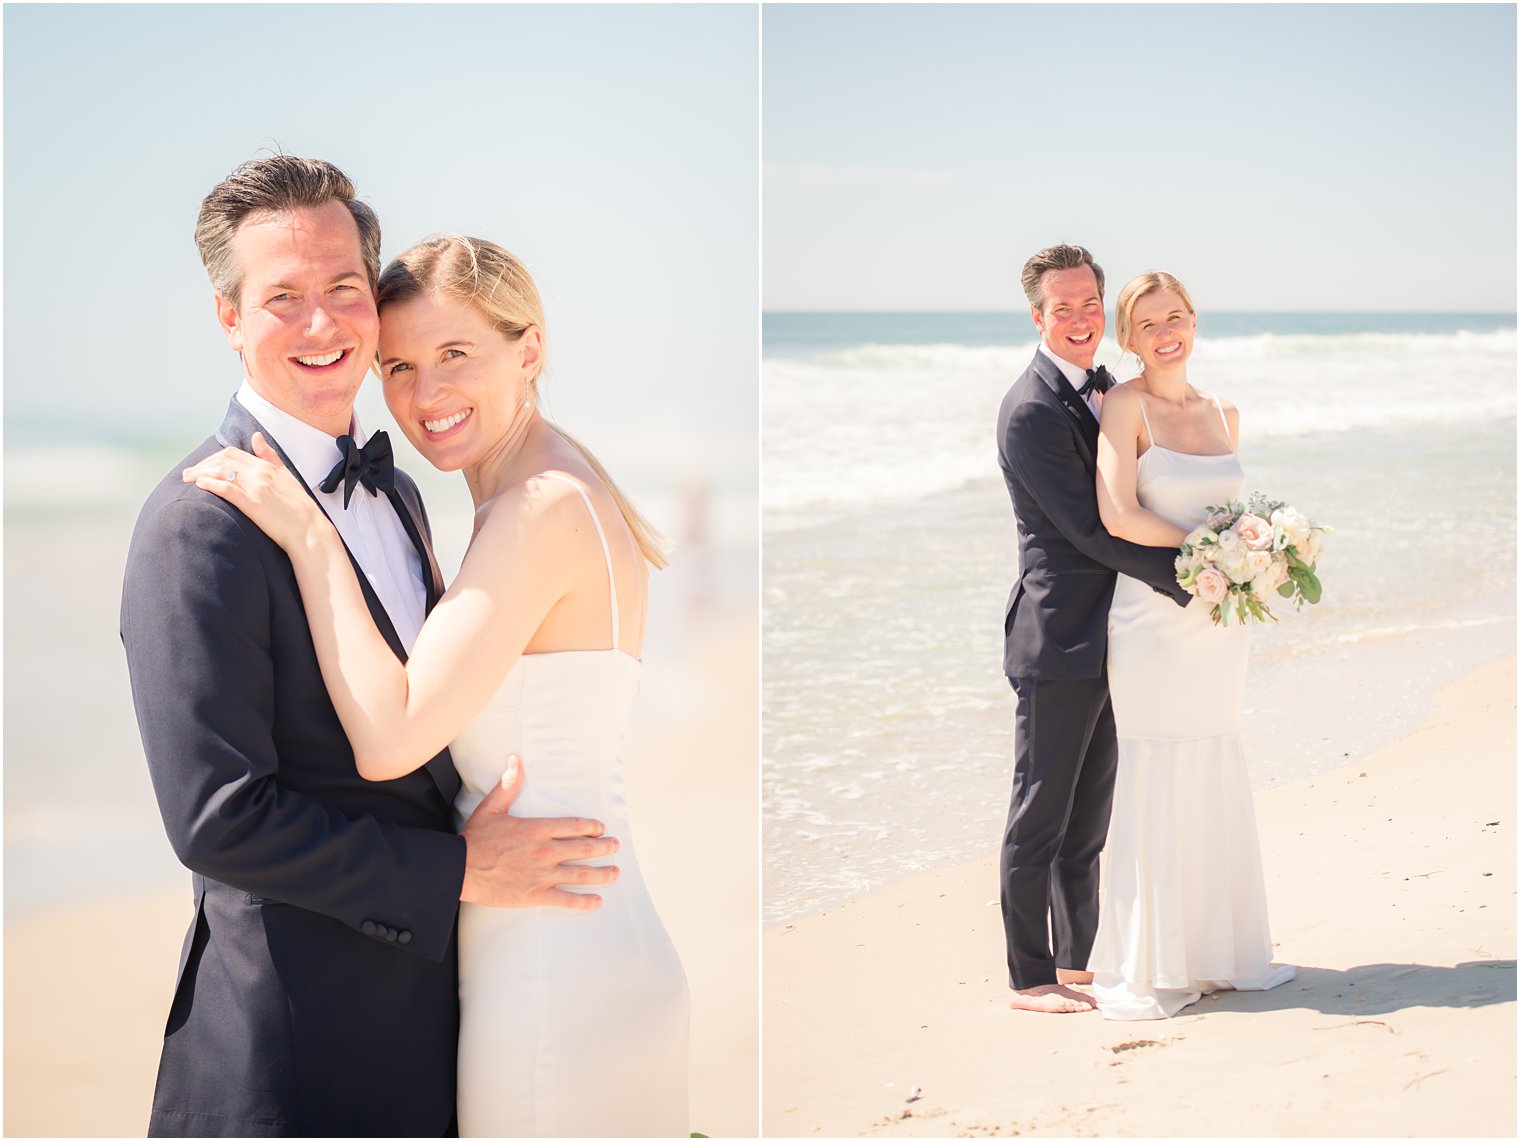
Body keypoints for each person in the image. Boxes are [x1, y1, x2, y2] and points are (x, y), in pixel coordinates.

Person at [121, 156, 619, 1137]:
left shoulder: (394, 489)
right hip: (297, 1049)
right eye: (282, 298)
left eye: (343, 288)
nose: (321, 323)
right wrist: (459, 873)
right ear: (229, 318)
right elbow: (219, 820)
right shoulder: (199, 526)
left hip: (434, 1025)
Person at [1088, 271, 1295, 1019]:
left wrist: (1261, 552)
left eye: (1176, 316)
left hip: (1218, 628)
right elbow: (1116, 514)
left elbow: (1239, 513)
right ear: (1129, 338)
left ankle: (1217, 950)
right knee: (1156, 765)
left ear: (1194, 321)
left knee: (1213, 753)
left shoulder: (1224, 412)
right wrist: (1208, 551)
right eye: (1148, 323)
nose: (1166, 331)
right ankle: (1155, 961)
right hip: (1152, 624)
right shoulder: (1125, 405)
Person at [995, 244, 1192, 1014]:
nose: (1078, 319)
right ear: (1038, 316)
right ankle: (1028, 976)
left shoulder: (1103, 389)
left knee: (1089, 818)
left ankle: (1076, 960)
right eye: (1062, 307)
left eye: (1087, 304)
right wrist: (1190, 569)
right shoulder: (1033, 408)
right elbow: (1088, 530)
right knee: (1039, 812)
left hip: (1113, 635)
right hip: (1056, 636)